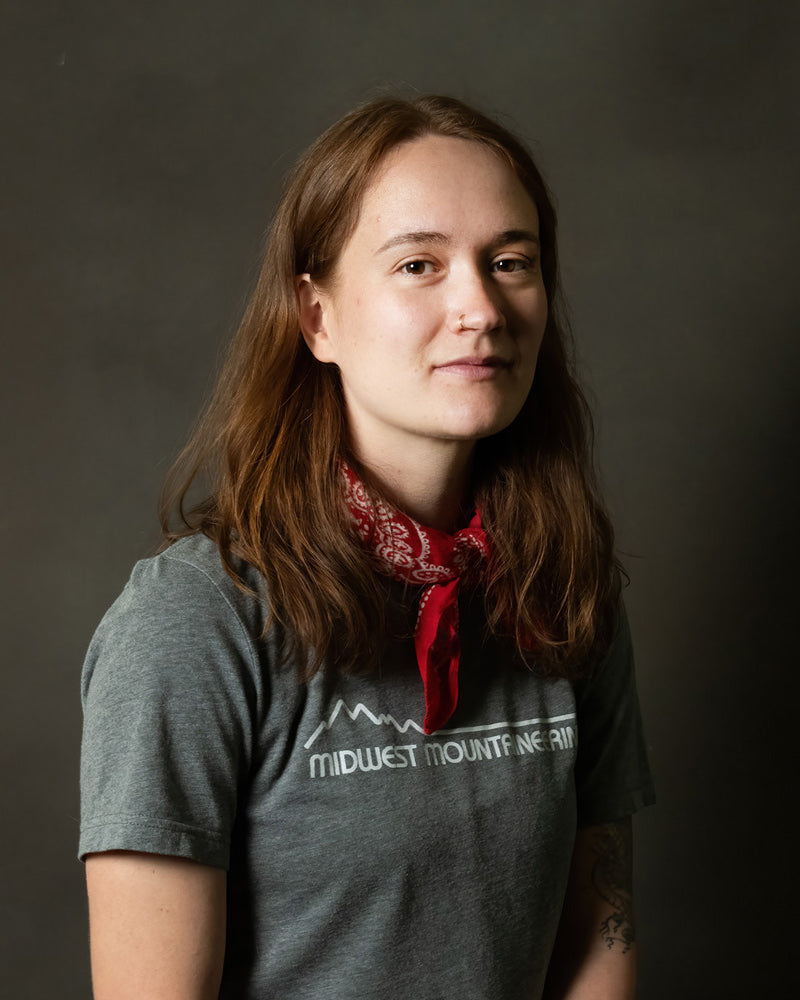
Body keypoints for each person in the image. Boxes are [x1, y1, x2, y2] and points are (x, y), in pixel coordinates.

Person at [79, 94, 655, 999]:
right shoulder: (194, 620)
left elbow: (597, 943)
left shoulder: (568, 587)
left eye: (510, 261)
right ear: (317, 318)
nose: (480, 307)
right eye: (419, 265)